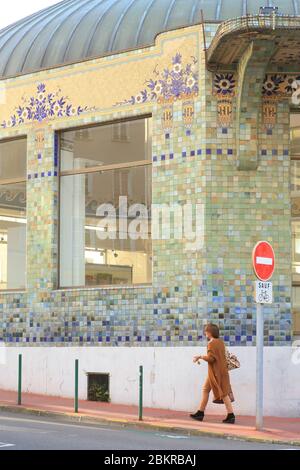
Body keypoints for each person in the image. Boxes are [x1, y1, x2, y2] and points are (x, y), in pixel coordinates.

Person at [190, 323, 235, 424]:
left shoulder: (211, 343)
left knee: (223, 393)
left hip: (215, 372)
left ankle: (230, 415)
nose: (205, 333)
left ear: (209, 333)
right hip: (222, 371)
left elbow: (212, 359)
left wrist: (200, 357)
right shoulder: (221, 342)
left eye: (206, 332)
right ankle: (200, 412)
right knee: (210, 390)